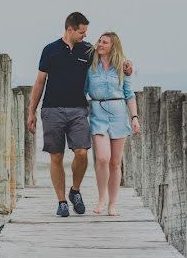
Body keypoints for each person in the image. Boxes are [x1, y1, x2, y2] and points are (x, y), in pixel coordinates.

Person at [27, 12, 133, 217]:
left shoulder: (88, 50)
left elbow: (110, 57)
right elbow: (40, 82)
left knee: (82, 153)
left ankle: (75, 190)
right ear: (70, 29)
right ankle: (61, 202)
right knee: (56, 156)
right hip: (52, 109)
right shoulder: (50, 50)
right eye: (82, 32)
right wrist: (31, 111)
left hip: (78, 109)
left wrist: (127, 67)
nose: (85, 36)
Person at [84, 31, 140, 216]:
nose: (99, 44)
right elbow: (83, 91)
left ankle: (112, 204)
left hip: (118, 115)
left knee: (115, 162)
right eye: (99, 41)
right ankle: (101, 199)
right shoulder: (91, 67)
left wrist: (134, 117)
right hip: (98, 114)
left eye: (104, 42)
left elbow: (129, 94)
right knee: (102, 158)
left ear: (113, 46)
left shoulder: (122, 68)